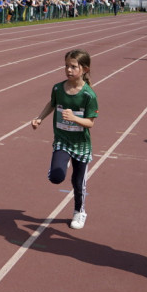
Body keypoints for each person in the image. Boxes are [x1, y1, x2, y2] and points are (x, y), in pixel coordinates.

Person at [31, 49, 99, 230]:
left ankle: (79, 211)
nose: (68, 70)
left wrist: (75, 119)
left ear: (84, 69)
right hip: (62, 140)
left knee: (78, 182)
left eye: (73, 66)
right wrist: (39, 118)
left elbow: (90, 123)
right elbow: (51, 104)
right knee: (56, 177)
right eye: (66, 66)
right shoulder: (58, 88)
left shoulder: (88, 95)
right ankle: (61, 162)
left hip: (81, 144)